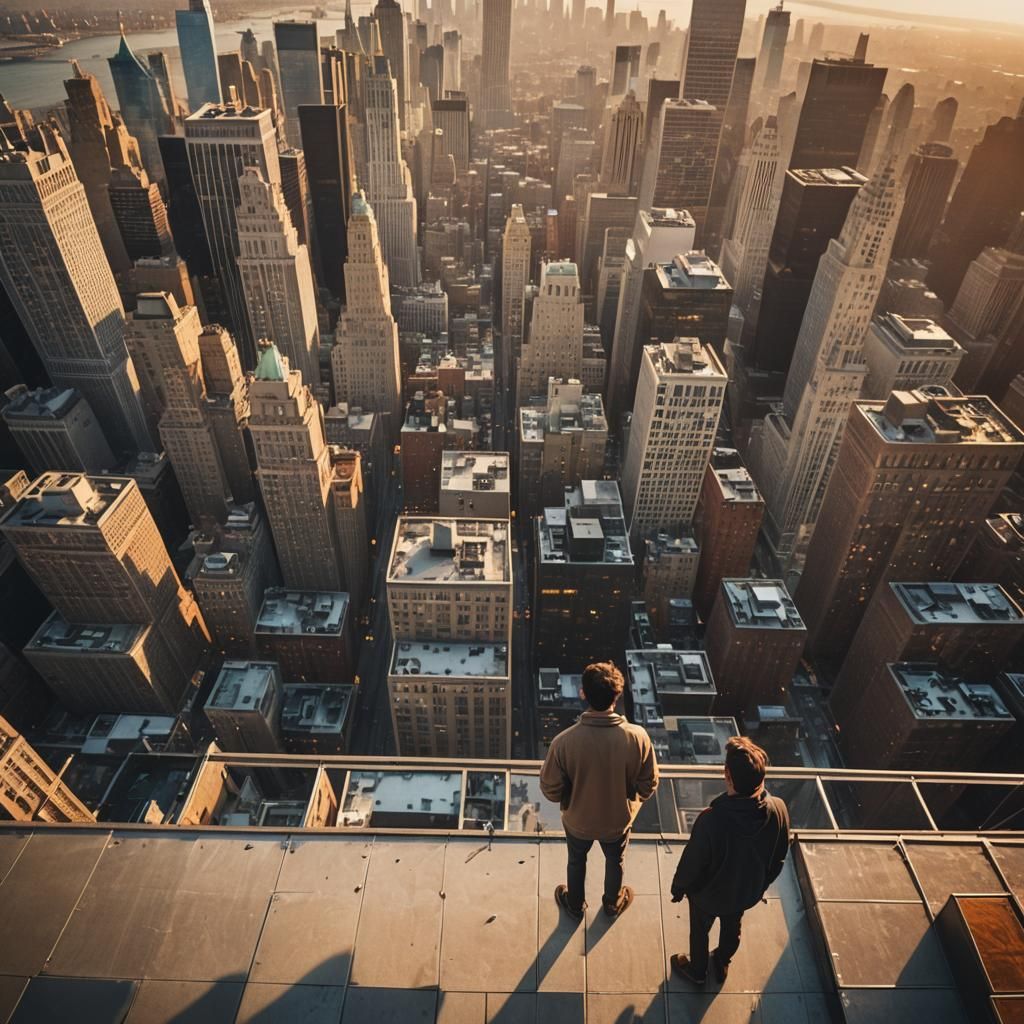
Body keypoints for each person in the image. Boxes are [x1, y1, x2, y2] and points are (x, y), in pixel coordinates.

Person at [539, 661, 659, 922]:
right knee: (615, 861)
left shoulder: (564, 742)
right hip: (617, 821)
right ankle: (612, 904)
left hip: (578, 820)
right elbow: (648, 784)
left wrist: (571, 795)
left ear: (583, 693)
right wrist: (629, 799)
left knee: (576, 860)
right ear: (617, 696)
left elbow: (550, 789)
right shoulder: (638, 737)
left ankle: (574, 905)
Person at [669, 736, 790, 985]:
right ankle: (722, 960)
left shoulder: (711, 821)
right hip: (744, 893)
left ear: (728, 776)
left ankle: (698, 971)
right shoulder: (778, 809)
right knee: (732, 927)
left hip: (708, 895)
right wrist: (759, 884)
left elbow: (693, 863)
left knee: (700, 931)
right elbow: (778, 857)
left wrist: (679, 888)